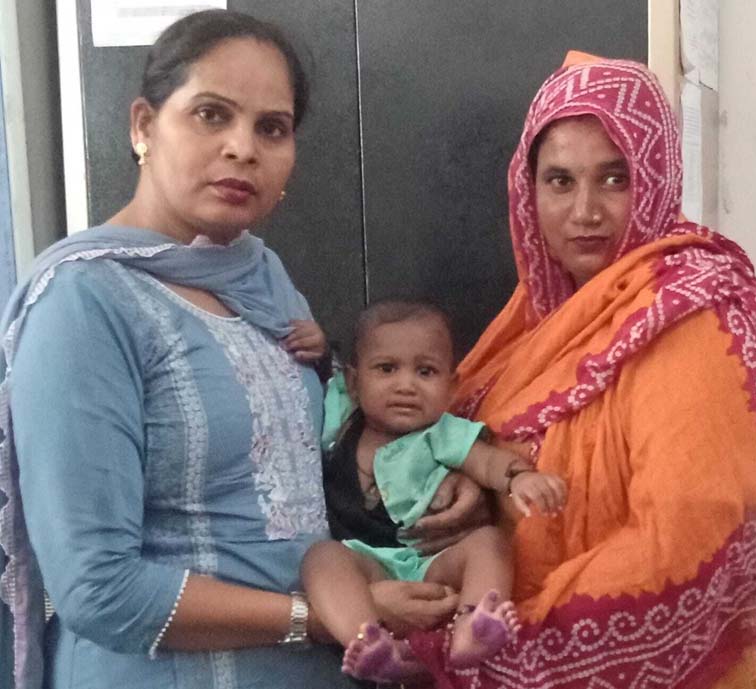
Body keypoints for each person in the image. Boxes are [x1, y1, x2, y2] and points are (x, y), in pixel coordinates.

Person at [0, 10, 471, 689]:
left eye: (271, 128)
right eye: (211, 115)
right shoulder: (83, 303)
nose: (243, 148)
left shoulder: (262, 278)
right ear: (143, 126)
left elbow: (301, 471)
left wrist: (428, 480)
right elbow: (98, 587)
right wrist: (320, 617)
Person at [407, 52, 756, 689]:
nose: (585, 211)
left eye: (614, 178)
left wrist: (501, 657)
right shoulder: (535, 320)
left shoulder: (692, 320)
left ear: (656, 177)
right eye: (559, 181)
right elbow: (468, 437)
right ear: (528, 191)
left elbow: (685, 544)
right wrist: (475, 482)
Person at [302, 300, 565, 684]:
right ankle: (368, 640)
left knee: (489, 542)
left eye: (425, 372)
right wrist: (319, 350)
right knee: (321, 556)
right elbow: (323, 373)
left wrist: (519, 478)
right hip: (364, 562)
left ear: (451, 386)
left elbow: (486, 462)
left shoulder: (442, 434)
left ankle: (473, 625)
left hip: (430, 564)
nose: (405, 385)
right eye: (386, 369)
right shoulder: (342, 422)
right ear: (355, 384)